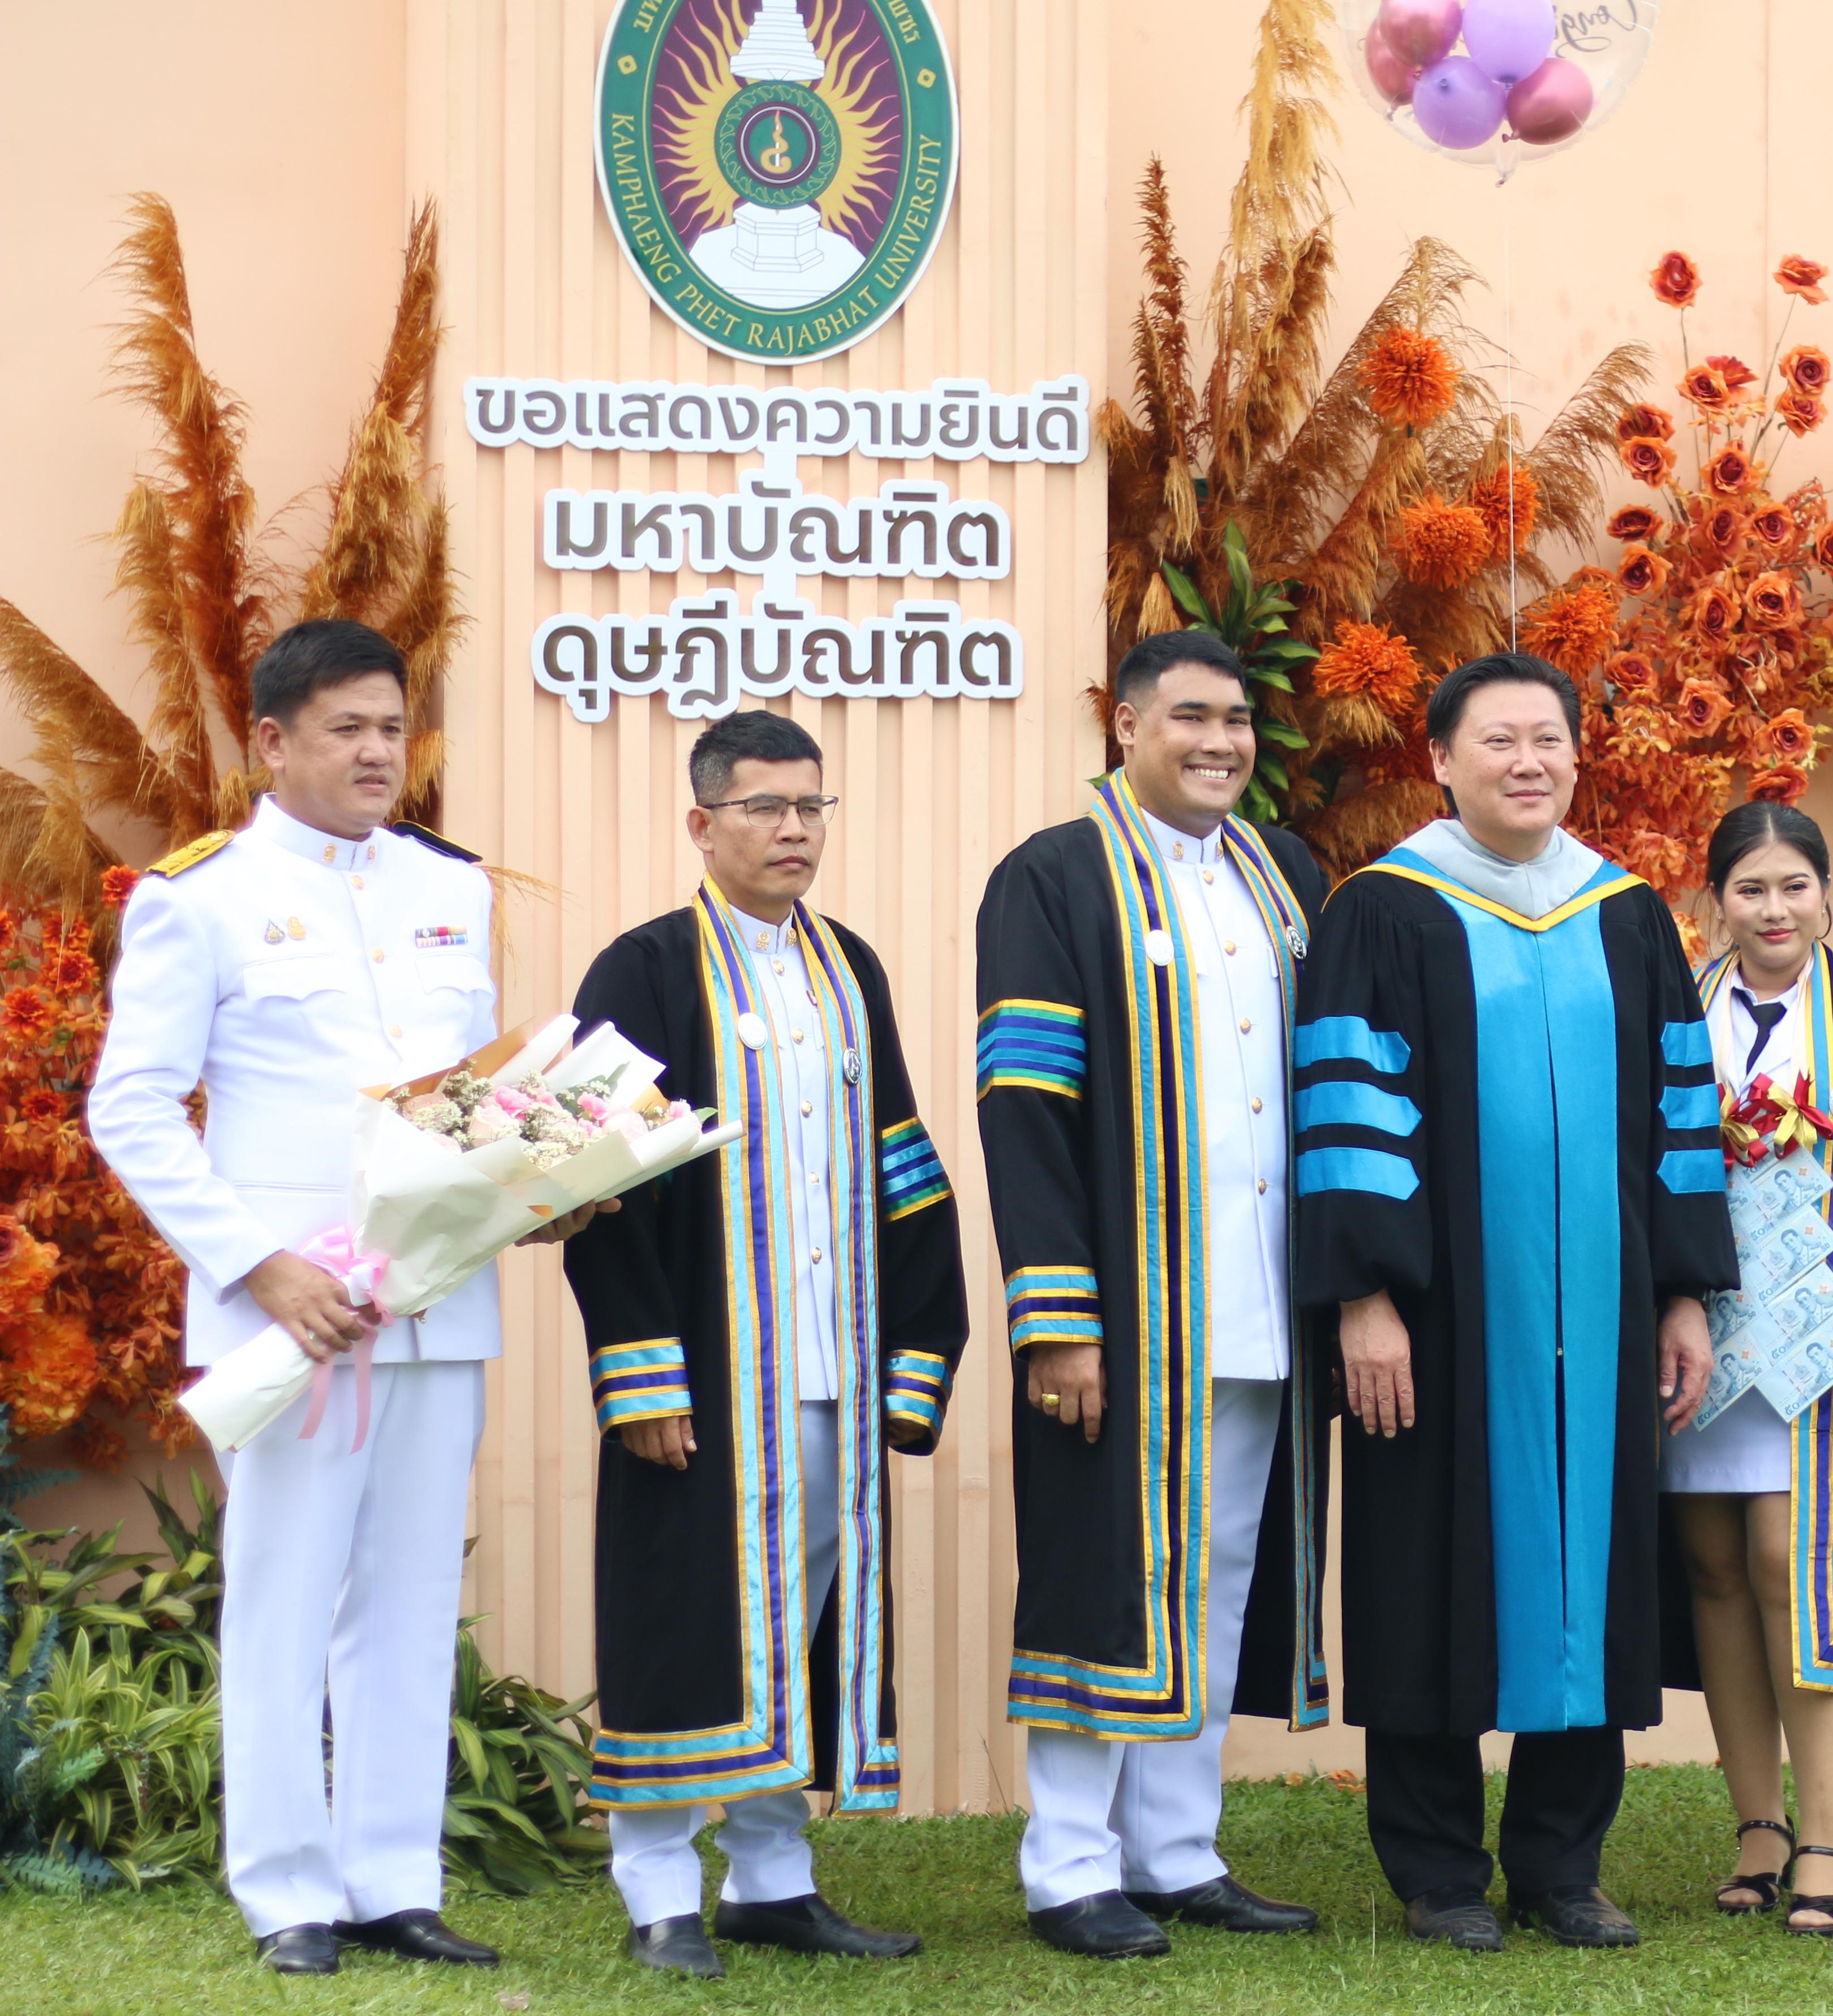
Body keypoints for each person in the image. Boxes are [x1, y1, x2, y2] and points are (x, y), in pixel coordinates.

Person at [88, 621, 595, 1974]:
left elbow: (459, 1098)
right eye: (348, 729)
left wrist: (547, 1175)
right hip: (291, 1313)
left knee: (414, 1593)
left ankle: (391, 1878)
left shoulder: (449, 886)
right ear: (271, 741)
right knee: (285, 1593)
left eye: (392, 727)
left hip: (435, 1304)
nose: (379, 753)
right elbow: (131, 1109)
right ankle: (286, 1891)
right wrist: (259, 1265)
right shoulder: (199, 896)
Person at [1291, 652, 1740, 1953]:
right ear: (1439, 760)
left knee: (1589, 1573)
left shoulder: (1622, 914)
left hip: (1595, 1319)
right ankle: (1435, 1872)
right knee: (1423, 1558)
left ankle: (1559, 1862)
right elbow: (1345, 1114)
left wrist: (1678, 1294)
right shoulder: (1381, 909)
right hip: (1438, 1321)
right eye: (1498, 740)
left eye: (1547, 739)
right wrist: (1361, 1298)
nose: (1527, 761)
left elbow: (1676, 1114)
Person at [563, 710, 969, 1978]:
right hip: (710, 1373)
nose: (794, 830)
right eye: (764, 808)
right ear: (703, 822)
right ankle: (657, 1893)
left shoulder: (849, 968)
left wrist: (920, 1346)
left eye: (811, 808)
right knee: (689, 1623)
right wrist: (639, 1371)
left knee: (806, 1621)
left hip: (834, 1358)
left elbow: (906, 1163)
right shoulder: (640, 972)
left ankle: (774, 1879)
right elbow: (592, 1186)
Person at [973, 630, 1332, 1959]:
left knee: (1221, 1574)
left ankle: (1176, 1850)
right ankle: (1069, 1865)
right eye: (1189, 717)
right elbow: (1023, 1106)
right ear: (1123, 725)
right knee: (1101, 1571)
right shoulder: (1054, 878)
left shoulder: (1282, 875)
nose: (1220, 743)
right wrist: (1056, 1315)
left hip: (1257, 1297)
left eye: (1236, 721)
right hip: (1125, 1311)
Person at [1660, 802, 1833, 1937]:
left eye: (1794, 886)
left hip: (1827, 1341)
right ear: (1714, 901)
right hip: (1700, 1329)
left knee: (1793, 1564)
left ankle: (1826, 1837)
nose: (1773, 910)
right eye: (1749, 889)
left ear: (1829, 894)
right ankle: (1757, 1829)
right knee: (1715, 1565)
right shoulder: (1672, 1014)